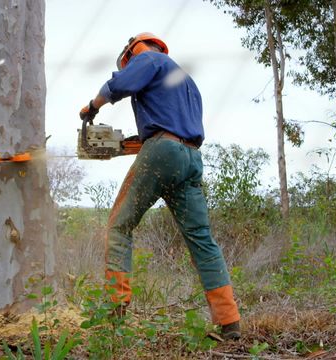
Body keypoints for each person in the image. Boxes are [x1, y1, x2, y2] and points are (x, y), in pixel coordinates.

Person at [79, 32, 240, 339]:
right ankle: (229, 322)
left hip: (163, 153)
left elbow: (118, 85)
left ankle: (114, 317)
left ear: (131, 53)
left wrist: (92, 107)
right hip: (190, 158)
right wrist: (123, 146)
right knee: (201, 239)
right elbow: (172, 129)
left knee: (118, 226)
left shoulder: (148, 59)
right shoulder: (187, 82)